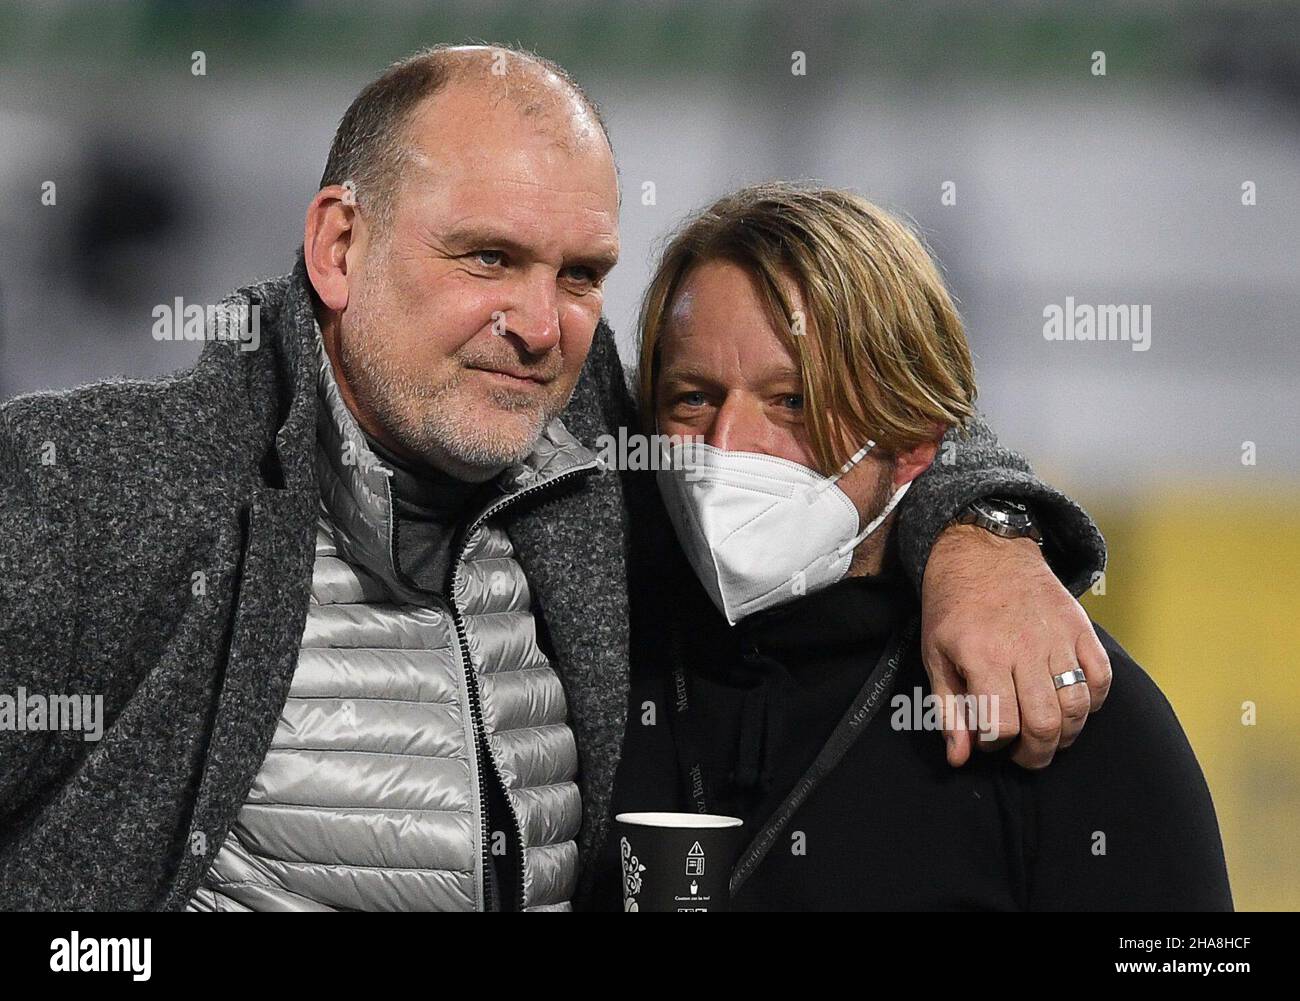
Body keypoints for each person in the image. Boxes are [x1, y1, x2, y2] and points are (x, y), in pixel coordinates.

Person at [1, 45, 1106, 912]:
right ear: (339, 247)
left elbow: (856, 413)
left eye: (581, 274)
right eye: (485, 257)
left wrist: (985, 531)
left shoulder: (586, 452)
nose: (537, 324)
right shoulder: (94, 493)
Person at [600, 182, 1232, 911]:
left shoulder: (1046, 701)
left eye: (794, 400)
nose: (729, 443)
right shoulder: (599, 673)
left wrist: (989, 535)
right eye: (692, 398)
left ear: (912, 439)